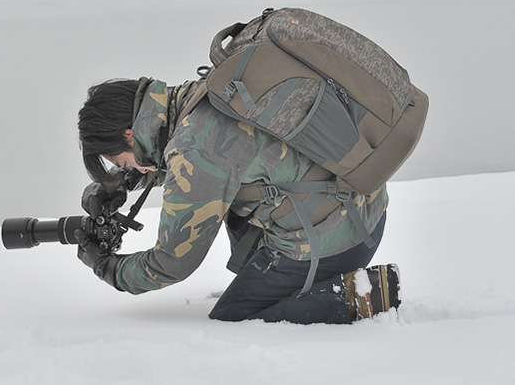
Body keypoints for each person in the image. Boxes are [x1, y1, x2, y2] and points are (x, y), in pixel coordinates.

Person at [75, 77, 400, 324]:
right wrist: (118, 185)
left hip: (337, 241)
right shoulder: (199, 96)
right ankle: (267, 278)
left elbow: (172, 263)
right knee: (233, 204)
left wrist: (108, 267)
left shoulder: (194, 149)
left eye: (122, 163)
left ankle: (362, 294)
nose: (130, 168)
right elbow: (208, 161)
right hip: (363, 202)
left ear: (130, 134)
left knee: (236, 320)